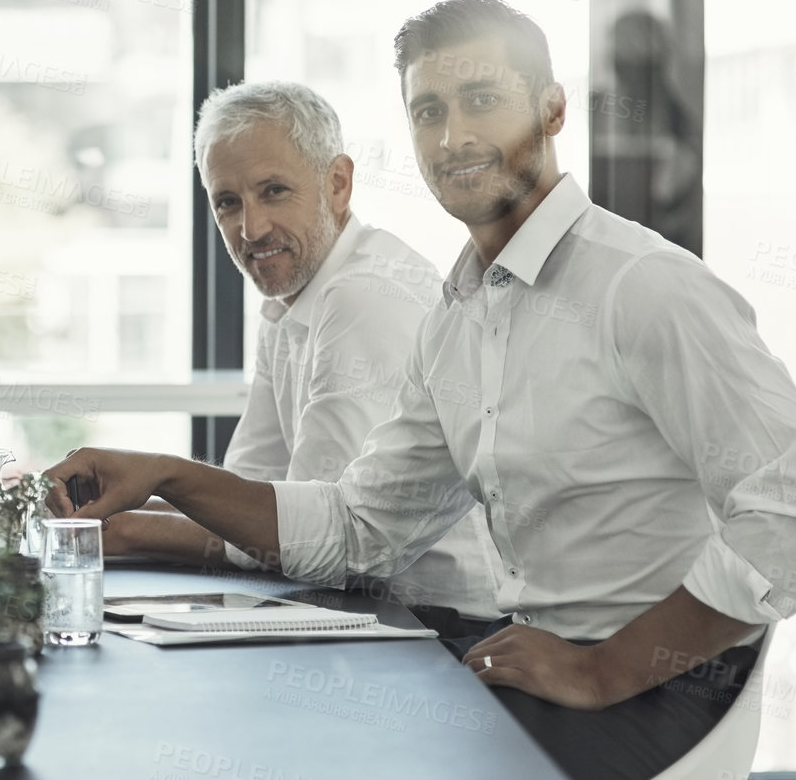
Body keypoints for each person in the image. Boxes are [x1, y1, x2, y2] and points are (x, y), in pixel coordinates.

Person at [46, 0, 796, 780]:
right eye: (428, 111)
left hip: (648, 696)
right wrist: (164, 474)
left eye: (481, 101)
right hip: (532, 661)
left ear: (551, 110)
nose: (453, 134)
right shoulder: (458, 319)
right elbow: (361, 524)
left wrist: (604, 669)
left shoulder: (641, 285)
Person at [104, 80, 499, 620]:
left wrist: (127, 525)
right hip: (361, 617)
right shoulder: (292, 301)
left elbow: (316, 545)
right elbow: (247, 500)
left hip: (440, 634)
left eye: (273, 191)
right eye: (227, 202)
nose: (251, 228)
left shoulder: (363, 297)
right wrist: (105, 505)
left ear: (338, 183)